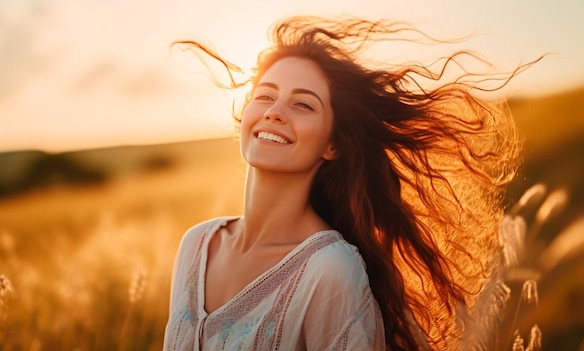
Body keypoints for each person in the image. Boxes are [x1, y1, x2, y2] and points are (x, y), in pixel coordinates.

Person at [164, 16, 529, 351]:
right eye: (264, 95)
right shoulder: (197, 245)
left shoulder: (329, 271)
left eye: (303, 105)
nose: (275, 110)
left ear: (333, 144)